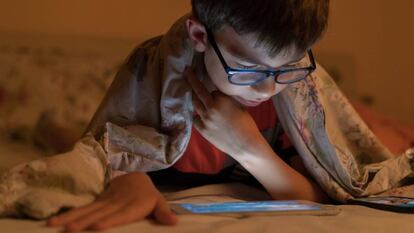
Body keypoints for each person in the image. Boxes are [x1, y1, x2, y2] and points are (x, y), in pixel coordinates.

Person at [46, 0, 330, 231]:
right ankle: (47, 125)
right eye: (247, 68)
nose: (268, 89)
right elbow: (103, 146)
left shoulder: (293, 96)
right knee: (64, 137)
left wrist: (249, 149)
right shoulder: (152, 76)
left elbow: (320, 194)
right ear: (199, 36)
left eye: (288, 67)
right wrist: (126, 176)